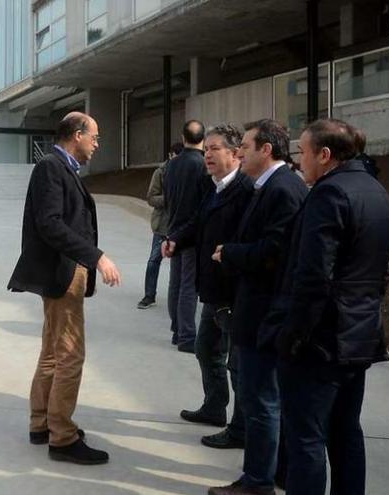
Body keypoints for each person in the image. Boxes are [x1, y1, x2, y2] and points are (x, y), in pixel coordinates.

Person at [274, 119, 389, 494]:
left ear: (324, 156)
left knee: (306, 438)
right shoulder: (377, 192)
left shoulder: (329, 195)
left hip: (321, 340)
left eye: (303, 153)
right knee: (345, 431)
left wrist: (292, 336)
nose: (299, 161)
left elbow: (313, 278)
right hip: (359, 335)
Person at [8, 111, 122, 465]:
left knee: (53, 352)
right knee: (70, 355)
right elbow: (50, 224)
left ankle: (42, 424)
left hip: (64, 271)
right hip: (63, 272)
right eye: (95, 137)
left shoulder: (61, 168)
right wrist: (97, 257)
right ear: (77, 134)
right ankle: (62, 436)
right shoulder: (51, 168)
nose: (97, 144)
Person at [208, 119, 308, 495]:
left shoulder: (283, 190)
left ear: (266, 150)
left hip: (264, 313)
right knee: (266, 399)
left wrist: (229, 253)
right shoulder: (270, 187)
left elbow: (274, 253)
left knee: (260, 400)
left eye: (246, 147)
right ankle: (275, 471)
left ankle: (257, 482)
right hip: (260, 309)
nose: (240, 153)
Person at [165, 124, 253, 448]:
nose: (208, 155)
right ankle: (215, 408)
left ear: (234, 153)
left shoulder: (245, 191)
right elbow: (198, 222)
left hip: (233, 294)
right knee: (205, 349)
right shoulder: (212, 186)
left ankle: (240, 429)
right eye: (207, 149)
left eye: (215, 148)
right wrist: (176, 239)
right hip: (212, 293)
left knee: (237, 366)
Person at [163, 120, 208, 352]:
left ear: (183, 137)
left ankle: (177, 330)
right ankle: (187, 336)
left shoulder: (172, 164)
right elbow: (203, 205)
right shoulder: (202, 165)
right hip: (190, 234)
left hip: (173, 229)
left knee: (176, 283)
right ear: (204, 138)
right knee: (188, 285)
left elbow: (168, 199)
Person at [138, 142, 182, 310]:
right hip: (163, 225)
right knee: (153, 261)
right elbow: (151, 198)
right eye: (176, 157)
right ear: (170, 155)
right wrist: (170, 198)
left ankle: (178, 299)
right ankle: (149, 295)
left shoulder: (187, 171)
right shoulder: (160, 172)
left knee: (179, 266)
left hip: (180, 227)